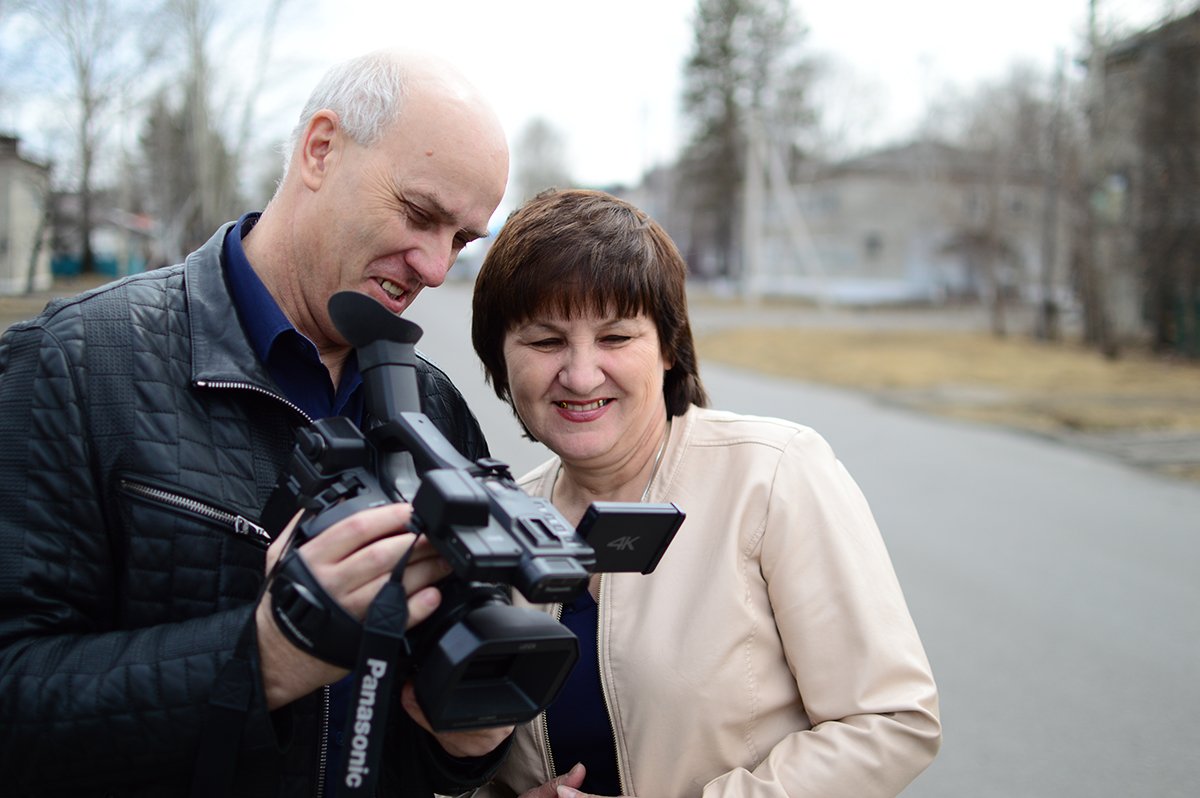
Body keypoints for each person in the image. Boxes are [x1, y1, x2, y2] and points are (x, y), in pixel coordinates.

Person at [0, 49, 515, 797]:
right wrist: (262, 657)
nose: (437, 268)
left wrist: (461, 746)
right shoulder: (73, 363)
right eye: (420, 214)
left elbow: (404, 738)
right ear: (320, 149)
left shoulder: (432, 410)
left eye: (463, 239)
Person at [469, 189, 942, 798]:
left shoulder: (772, 476)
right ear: (499, 358)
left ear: (668, 347)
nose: (581, 374)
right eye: (544, 341)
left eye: (615, 338)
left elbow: (890, 721)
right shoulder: (496, 523)